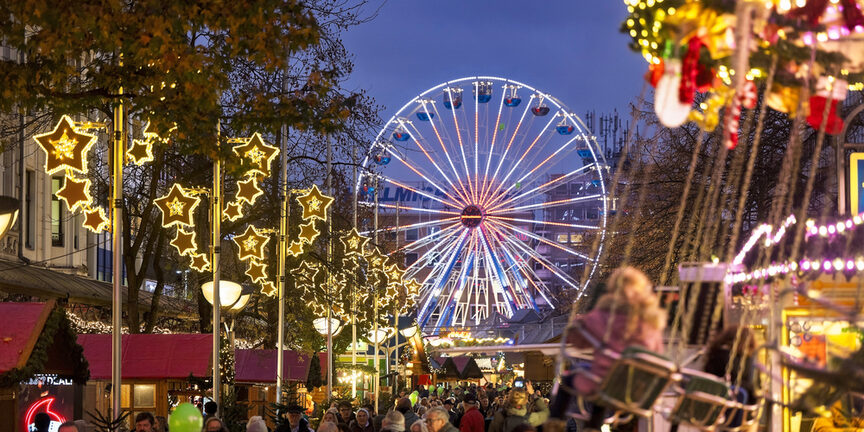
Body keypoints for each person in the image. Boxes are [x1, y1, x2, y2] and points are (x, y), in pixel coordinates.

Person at [564, 266, 666, 432]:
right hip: (636, 390)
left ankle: (556, 419)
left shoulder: (602, 316)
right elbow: (657, 355)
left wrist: (578, 325)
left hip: (604, 384)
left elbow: (577, 340)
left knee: (574, 373)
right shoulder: (651, 322)